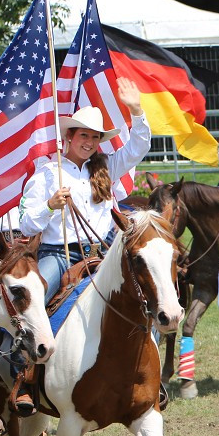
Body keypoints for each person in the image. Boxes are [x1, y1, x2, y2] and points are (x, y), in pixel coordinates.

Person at [19, 77, 150, 305]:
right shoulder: (48, 173)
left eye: (95, 137)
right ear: (70, 136)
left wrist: (136, 110)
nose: (89, 142)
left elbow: (138, 147)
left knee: (144, 297)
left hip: (102, 255)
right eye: (84, 135)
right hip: (59, 256)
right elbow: (27, 225)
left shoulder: (107, 167)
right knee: (32, 300)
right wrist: (50, 206)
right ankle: (16, 341)